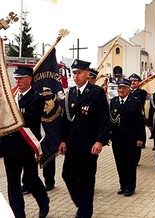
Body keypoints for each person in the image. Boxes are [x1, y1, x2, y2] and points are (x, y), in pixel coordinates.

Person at [58, 59, 110, 218]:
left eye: (79, 73)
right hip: (73, 144)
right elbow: (65, 120)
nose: (76, 76)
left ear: (87, 74)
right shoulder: (70, 94)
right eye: (74, 73)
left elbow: (104, 119)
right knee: (67, 175)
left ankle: (85, 212)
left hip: (89, 145)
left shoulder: (96, 92)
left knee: (87, 179)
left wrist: (100, 141)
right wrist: (63, 140)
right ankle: (82, 204)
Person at [0, 66, 50, 218]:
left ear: (30, 79)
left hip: (27, 147)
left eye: (21, 78)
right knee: (13, 184)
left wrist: (12, 113)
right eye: (16, 78)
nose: (18, 81)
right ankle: (19, 214)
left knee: (30, 179)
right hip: (9, 148)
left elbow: (30, 119)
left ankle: (43, 201)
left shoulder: (37, 98)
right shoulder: (11, 97)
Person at [109, 78, 145, 197]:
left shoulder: (135, 102)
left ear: (129, 89)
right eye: (119, 88)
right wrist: (108, 136)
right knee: (119, 163)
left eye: (124, 88)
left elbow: (140, 122)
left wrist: (140, 138)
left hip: (131, 139)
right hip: (117, 139)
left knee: (130, 163)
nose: (121, 90)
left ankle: (130, 187)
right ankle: (122, 185)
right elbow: (110, 121)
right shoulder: (113, 101)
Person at [129, 73, 148, 161]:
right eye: (131, 81)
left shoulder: (141, 92)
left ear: (139, 82)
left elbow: (138, 101)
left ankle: (136, 159)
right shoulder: (127, 91)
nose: (133, 82)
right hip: (128, 118)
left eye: (135, 81)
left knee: (139, 133)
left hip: (138, 116)